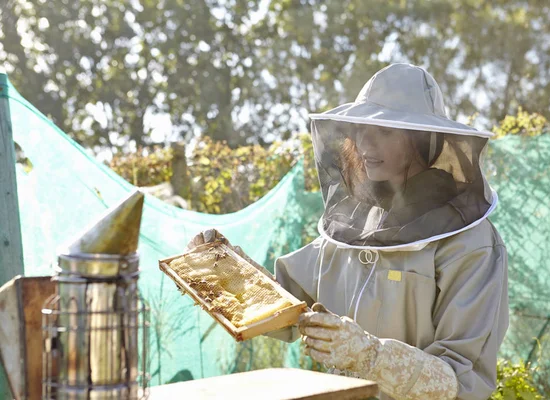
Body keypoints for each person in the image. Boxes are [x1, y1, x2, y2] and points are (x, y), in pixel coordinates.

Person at [188, 63, 508, 400]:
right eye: (360, 129)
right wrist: (222, 275)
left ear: (422, 137)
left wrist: (369, 355)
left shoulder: (470, 243)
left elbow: (460, 383)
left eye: (384, 131)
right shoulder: (355, 223)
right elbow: (283, 309)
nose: (365, 143)